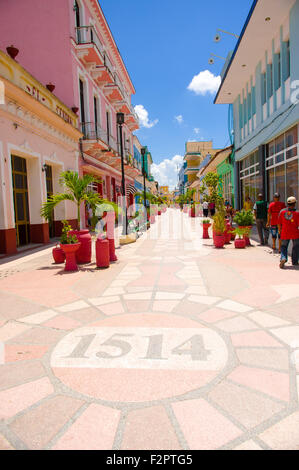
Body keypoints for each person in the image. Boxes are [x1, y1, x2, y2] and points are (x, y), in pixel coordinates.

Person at [277, 196, 299, 269]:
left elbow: (279, 223)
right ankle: (295, 261)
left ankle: (283, 258)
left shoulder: (282, 211)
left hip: (285, 232)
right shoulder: (297, 213)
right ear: (294, 203)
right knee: (296, 247)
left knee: (284, 246)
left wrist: (279, 231)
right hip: (295, 232)